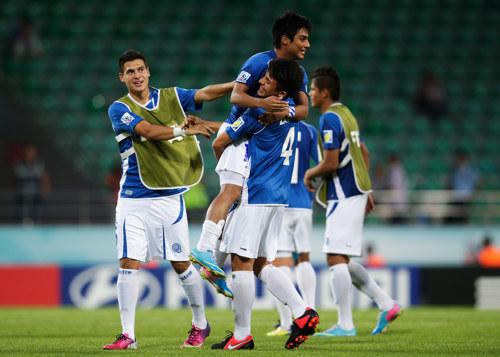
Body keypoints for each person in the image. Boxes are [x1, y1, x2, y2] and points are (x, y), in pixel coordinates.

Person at [103, 49, 234, 350]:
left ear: (148, 72)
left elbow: (204, 93)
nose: (136, 75)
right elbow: (147, 131)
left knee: (179, 263)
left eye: (140, 70)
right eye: (129, 71)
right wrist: (182, 129)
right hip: (133, 198)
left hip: (168, 197)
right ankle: (128, 335)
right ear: (121, 77)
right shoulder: (118, 108)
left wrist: (235, 86)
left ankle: (200, 324)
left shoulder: (172, 97)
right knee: (127, 262)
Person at [188, 12, 312, 293]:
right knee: (231, 195)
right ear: (285, 39)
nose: (306, 45)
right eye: (302, 39)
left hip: (257, 140)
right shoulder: (258, 62)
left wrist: (285, 110)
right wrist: (266, 103)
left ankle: (214, 264)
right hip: (240, 133)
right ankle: (205, 249)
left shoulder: (298, 74)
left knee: (236, 206)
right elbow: (236, 96)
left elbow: (303, 110)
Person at [208, 58, 319, 350]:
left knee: (240, 263)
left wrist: (226, 170)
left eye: (267, 80)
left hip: (254, 192)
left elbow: (220, 142)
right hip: (278, 197)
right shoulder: (290, 113)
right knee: (260, 264)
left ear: (281, 93)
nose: (260, 82)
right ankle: (303, 312)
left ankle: (242, 335)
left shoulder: (259, 111)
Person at [304, 66, 403, 337]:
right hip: (354, 190)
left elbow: (331, 161)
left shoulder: (328, 120)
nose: (310, 93)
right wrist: (367, 189)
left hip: (344, 193)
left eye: (313, 89)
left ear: (325, 92)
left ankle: (345, 325)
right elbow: (364, 153)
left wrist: (309, 173)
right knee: (342, 257)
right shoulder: (347, 114)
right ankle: (386, 303)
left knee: (335, 256)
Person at [267, 121, 320, 337]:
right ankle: (312, 317)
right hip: (304, 203)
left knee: (280, 262)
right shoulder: (309, 130)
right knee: (304, 260)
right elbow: (322, 163)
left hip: (280, 201)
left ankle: (288, 323)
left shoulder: (272, 125)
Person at [13, 144, 50, 225]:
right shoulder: (19, 166)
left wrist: (45, 191)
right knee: (20, 219)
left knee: (37, 219)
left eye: (32, 152)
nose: (30, 154)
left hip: (35, 197)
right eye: (28, 152)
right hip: (22, 197)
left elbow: (45, 180)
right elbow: (14, 181)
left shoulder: (39, 165)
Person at [445, 150, 480, 224]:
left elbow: (479, 180)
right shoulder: (454, 169)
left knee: (464, 215)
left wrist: (474, 191)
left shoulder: (470, 168)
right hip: (456, 195)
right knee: (455, 214)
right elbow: (449, 182)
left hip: (466, 195)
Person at [386, 155, 409, 224]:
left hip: (399, 193)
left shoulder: (399, 170)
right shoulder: (393, 170)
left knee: (400, 212)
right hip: (395, 193)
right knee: (395, 211)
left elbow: (397, 183)